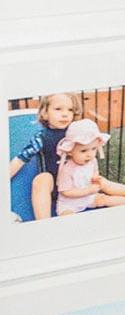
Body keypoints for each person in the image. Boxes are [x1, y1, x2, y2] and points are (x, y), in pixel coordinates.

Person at [8, 92, 84, 221]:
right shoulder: (41, 138)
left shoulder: (77, 134)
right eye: (58, 109)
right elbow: (21, 159)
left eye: (70, 110)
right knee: (41, 179)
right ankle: (44, 223)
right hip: (53, 184)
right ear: (45, 113)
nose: (65, 114)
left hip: (74, 184)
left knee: (102, 185)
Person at [54, 119, 125, 214]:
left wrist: (95, 177)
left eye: (93, 149)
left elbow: (94, 171)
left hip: (89, 198)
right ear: (70, 151)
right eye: (83, 151)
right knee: (67, 215)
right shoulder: (67, 169)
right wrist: (87, 190)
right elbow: (66, 192)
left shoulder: (92, 161)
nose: (89, 154)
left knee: (104, 199)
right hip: (70, 204)